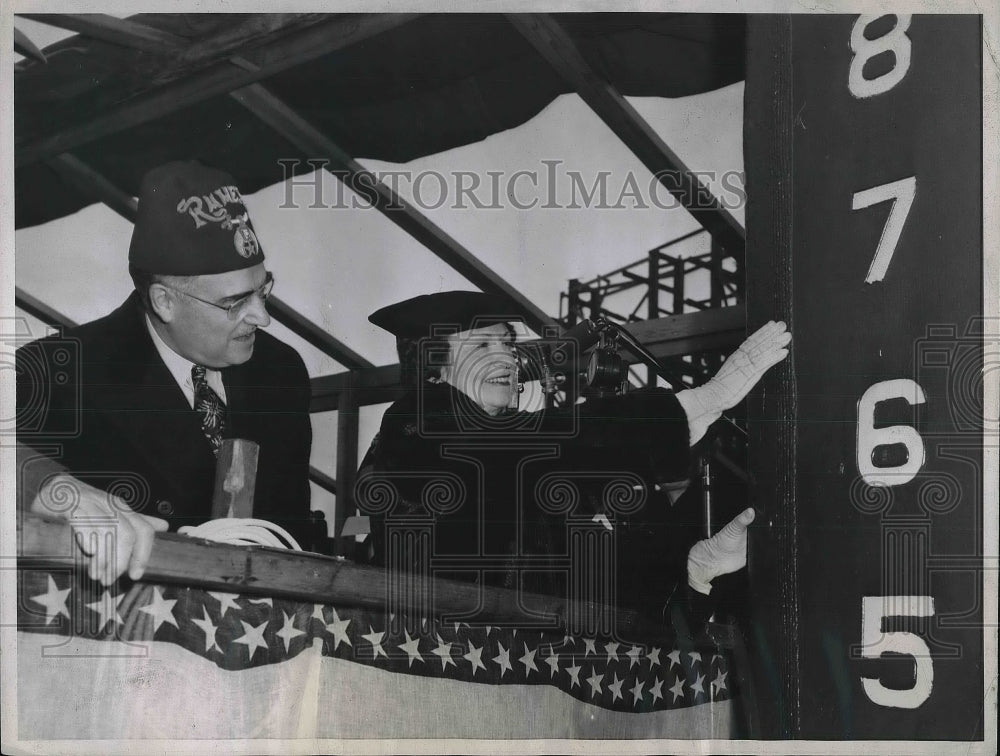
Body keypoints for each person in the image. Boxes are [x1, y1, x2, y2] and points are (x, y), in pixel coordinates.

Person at [360, 290, 789, 617]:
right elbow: (516, 448)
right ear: (434, 371)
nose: (507, 359)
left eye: (508, 345)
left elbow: (589, 568)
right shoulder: (415, 422)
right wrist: (690, 405)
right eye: (481, 347)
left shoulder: (523, 462)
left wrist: (697, 568)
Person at [16, 161, 313, 579]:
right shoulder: (56, 372)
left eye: (263, 290)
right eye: (235, 303)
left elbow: (293, 525)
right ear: (164, 302)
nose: (262, 317)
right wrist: (50, 489)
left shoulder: (281, 372)